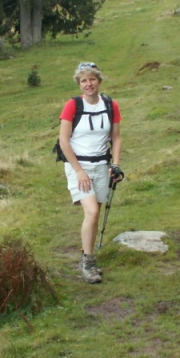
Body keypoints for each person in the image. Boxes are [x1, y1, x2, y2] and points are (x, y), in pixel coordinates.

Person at [58, 62, 123, 283]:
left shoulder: (111, 105)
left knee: (94, 214)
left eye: (92, 79)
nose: (88, 84)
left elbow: (116, 138)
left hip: (102, 165)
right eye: (84, 80)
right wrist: (79, 171)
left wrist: (115, 164)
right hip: (78, 166)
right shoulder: (72, 106)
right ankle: (88, 263)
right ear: (79, 83)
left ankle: (88, 256)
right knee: (92, 212)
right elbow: (64, 141)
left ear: (99, 81)